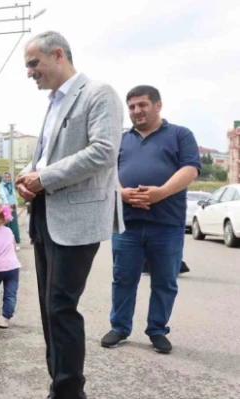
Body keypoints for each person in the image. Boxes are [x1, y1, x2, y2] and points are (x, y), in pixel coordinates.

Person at [15, 31, 124, 399]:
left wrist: (43, 177)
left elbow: (104, 152)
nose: (30, 72)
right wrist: (29, 179)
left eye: (34, 63)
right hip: (45, 212)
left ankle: (68, 392)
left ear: (58, 54)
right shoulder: (53, 103)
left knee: (61, 306)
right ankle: (59, 386)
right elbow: (47, 157)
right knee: (50, 308)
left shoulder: (99, 93)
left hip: (76, 218)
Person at [101, 86, 200, 354]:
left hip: (166, 224)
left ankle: (157, 330)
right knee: (123, 278)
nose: (136, 111)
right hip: (127, 224)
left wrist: (161, 193)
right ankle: (120, 327)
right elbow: (109, 171)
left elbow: (190, 169)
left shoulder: (180, 135)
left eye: (142, 105)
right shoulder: (122, 139)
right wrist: (121, 192)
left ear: (158, 105)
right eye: (132, 107)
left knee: (165, 280)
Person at [0, 172, 22, 251]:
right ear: (3, 178)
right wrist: (7, 204)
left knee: (14, 226)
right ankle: (5, 244)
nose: (7, 178)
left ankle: (14, 243)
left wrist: (16, 203)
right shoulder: (1, 186)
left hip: (12, 207)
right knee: (6, 225)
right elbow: (3, 195)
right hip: (5, 207)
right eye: (5, 177)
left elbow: (14, 196)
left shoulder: (11, 186)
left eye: (8, 177)